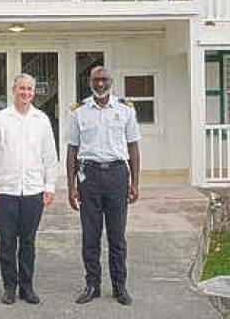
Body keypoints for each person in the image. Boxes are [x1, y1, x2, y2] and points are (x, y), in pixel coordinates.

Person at [0, 74, 59, 305]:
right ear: (13, 91)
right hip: (5, 191)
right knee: (6, 243)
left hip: (33, 191)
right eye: (21, 88)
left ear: (34, 92)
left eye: (29, 89)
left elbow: (49, 156)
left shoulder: (41, 119)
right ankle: (9, 287)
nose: (25, 92)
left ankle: (27, 287)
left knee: (28, 242)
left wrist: (50, 186)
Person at [67, 66, 140, 306]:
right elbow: (72, 150)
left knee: (117, 237)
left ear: (111, 81)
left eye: (104, 80)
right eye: (96, 80)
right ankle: (92, 285)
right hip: (89, 176)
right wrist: (71, 185)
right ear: (89, 81)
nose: (100, 84)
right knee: (90, 236)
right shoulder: (78, 112)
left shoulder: (125, 110)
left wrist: (135, 182)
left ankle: (120, 286)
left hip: (118, 175)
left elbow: (133, 147)